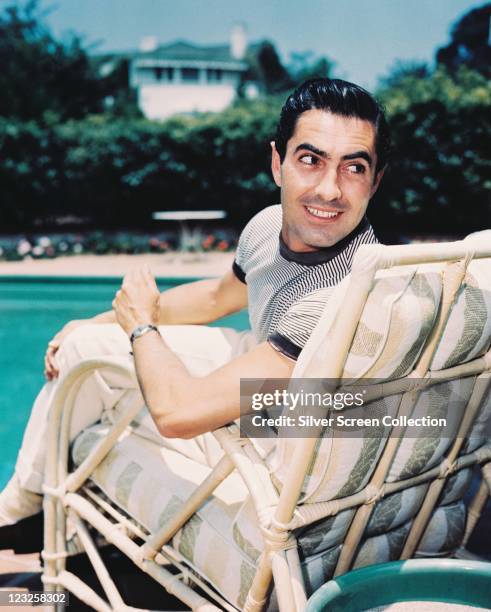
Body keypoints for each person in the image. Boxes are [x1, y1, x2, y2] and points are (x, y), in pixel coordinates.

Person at [0, 77, 389, 551]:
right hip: (270, 367)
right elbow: (215, 298)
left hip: (300, 419)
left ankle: (22, 512)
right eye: (310, 160)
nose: (329, 189)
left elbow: (178, 414)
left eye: (354, 168)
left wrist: (141, 326)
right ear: (277, 163)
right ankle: (25, 505)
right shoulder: (269, 225)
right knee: (84, 348)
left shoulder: (345, 294)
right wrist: (101, 321)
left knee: (131, 392)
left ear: (376, 180)